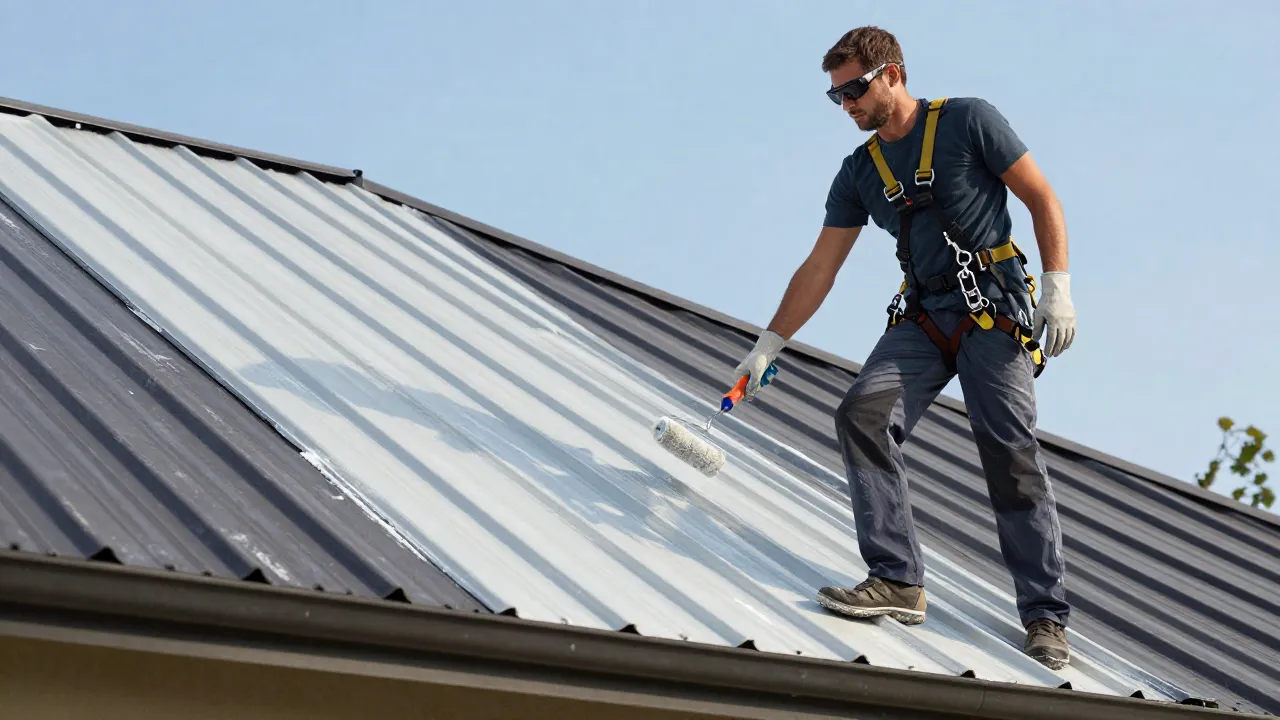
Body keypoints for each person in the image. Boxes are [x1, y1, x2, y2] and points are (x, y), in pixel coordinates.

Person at [732, 26, 1077, 669]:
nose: (849, 106)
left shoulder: (969, 122)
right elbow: (820, 267)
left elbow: (1041, 197)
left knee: (1008, 449)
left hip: (990, 313)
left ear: (893, 74)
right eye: (836, 97)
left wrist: (1057, 288)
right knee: (862, 412)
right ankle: (897, 578)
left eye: (856, 89)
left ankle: (1046, 617)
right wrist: (768, 344)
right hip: (922, 319)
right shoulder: (860, 172)